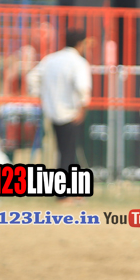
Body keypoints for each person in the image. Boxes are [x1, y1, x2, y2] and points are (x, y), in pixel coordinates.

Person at [28, 28, 92, 183]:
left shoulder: (51, 59)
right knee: (67, 153)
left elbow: (31, 77)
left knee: (65, 150)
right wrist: (82, 109)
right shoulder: (78, 62)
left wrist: (41, 95)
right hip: (71, 113)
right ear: (79, 44)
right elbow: (83, 88)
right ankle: (63, 190)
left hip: (53, 111)